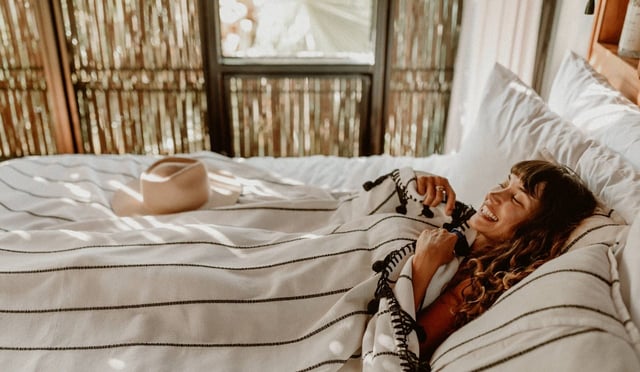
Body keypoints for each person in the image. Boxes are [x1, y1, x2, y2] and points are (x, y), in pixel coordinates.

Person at [411, 160, 598, 360]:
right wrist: (417, 187)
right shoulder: (456, 220)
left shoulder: (474, 288)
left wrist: (422, 266)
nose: (493, 195)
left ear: (535, 233)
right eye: (503, 184)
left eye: (516, 199)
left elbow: (401, 345)